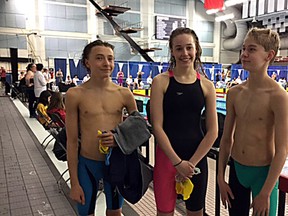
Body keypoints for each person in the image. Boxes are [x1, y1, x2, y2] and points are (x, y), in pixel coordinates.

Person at [217, 27, 288, 216]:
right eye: (243, 49)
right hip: (237, 170)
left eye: (252, 50)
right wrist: (220, 178)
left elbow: (282, 150)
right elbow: (226, 139)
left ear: (269, 55)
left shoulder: (278, 97)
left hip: (263, 176)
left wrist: (265, 193)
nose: (244, 54)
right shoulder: (234, 93)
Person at [150, 27, 218, 216]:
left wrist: (191, 164)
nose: (185, 53)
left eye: (189, 47)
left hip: (196, 160)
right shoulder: (160, 82)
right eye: (179, 48)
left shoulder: (207, 85)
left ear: (196, 49)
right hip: (167, 159)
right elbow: (157, 126)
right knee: (164, 213)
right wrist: (177, 162)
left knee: (196, 213)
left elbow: (213, 131)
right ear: (172, 51)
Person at [65, 40, 137, 216]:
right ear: (87, 62)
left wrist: (118, 138)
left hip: (115, 163)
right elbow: (72, 141)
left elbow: (139, 130)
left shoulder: (124, 94)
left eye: (110, 59)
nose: (106, 64)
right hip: (87, 164)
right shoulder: (75, 94)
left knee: (115, 212)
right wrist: (74, 183)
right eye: (99, 58)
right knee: (85, 213)